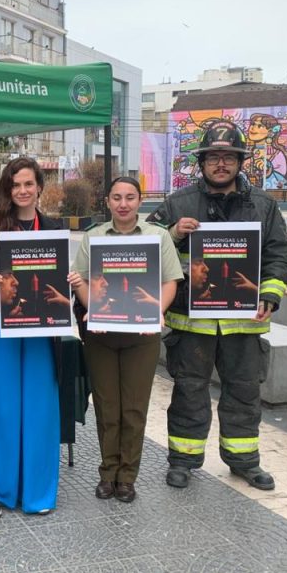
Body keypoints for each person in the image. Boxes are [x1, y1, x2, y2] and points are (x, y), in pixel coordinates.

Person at [148, 120, 287, 491]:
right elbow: (146, 246)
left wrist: (270, 293)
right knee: (188, 393)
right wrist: (174, 233)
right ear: (202, 162)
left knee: (244, 393)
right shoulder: (177, 204)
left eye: (229, 157)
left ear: (241, 161)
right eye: (214, 157)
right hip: (192, 323)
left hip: (244, 323)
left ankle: (244, 461)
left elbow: (278, 255)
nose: (221, 164)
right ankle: (182, 460)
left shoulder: (262, 206)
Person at [71, 177, 182, 503]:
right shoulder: (93, 237)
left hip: (142, 335)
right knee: (107, 408)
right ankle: (108, 472)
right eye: (117, 197)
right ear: (107, 201)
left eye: (130, 197)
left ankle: (127, 477)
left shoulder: (158, 237)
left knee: (133, 409)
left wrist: (157, 311)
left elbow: (170, 281)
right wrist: (93, 307)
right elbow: (82, 282)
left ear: (140, 200)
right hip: (102, 336)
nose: (123, 203)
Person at [0, 156, 61, 520]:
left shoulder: (51, 228)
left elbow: (60, 276)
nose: (22, 191)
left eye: (28, 184)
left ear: (39, 187)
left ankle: (37, 492)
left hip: (40, 330)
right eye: (15, 185)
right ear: (7, 188)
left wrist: (67, 282)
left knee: (39, 408)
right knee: (0, 407)